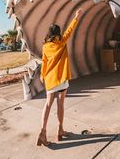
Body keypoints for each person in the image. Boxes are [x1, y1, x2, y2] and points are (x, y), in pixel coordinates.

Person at [37, 8, 82, 146]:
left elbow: (43, 62)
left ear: (49, 34)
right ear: (58, 33)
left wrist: (42, 75)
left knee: (48, 104)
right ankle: (60, 130)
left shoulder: (45, 46)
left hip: (50, 79)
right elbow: (70, 30)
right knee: (60, 104)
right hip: (61, 78)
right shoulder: (62, 41)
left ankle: (42, 132)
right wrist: (76, 17)